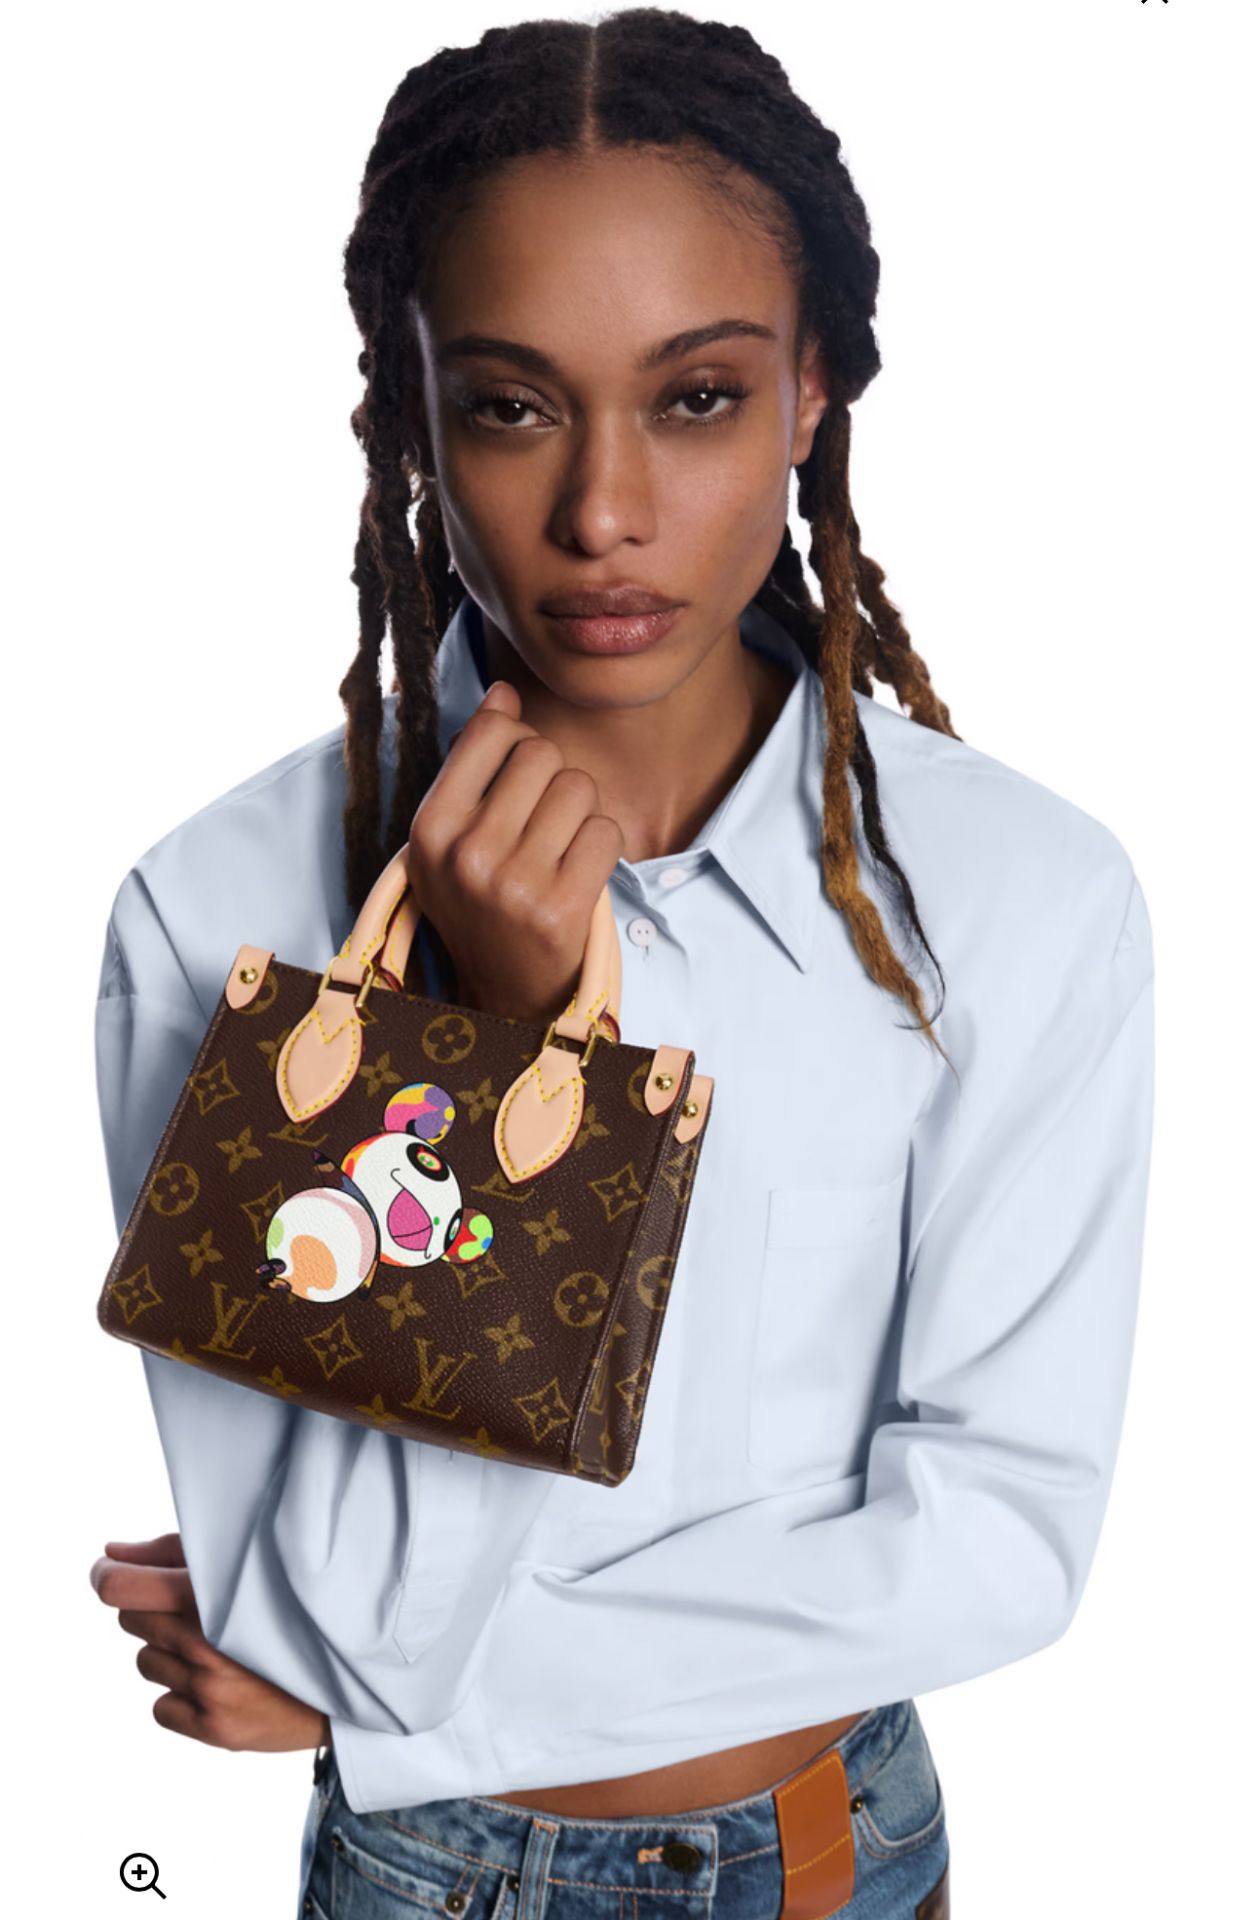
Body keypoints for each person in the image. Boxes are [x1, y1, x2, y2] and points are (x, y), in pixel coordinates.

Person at [90, 10, 1155, 1918]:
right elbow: (314, 1604)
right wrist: (497, 1057)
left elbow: (997, 1539)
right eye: (512, 406)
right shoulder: (215, 918)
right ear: (410, 408)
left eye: (697, 397)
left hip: (833, 1860)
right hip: (427, 1880)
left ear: (811, 390)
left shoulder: (1016, 898)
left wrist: (405, 1702)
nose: (603, 514)